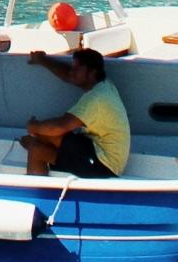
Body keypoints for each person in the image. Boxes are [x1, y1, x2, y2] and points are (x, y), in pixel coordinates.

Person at [18, 47, 129, 178]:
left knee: (42, 134)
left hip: (103, 165)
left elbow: (59, 127)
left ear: (92, 72)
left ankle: (36, 187)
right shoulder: (105, 85)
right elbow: (68, 74)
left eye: (77, 68)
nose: (72, 71)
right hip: (103, 159)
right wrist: (43, 60)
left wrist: (33, 127)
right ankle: (38, 192)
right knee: (36, 148)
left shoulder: (96, 99)